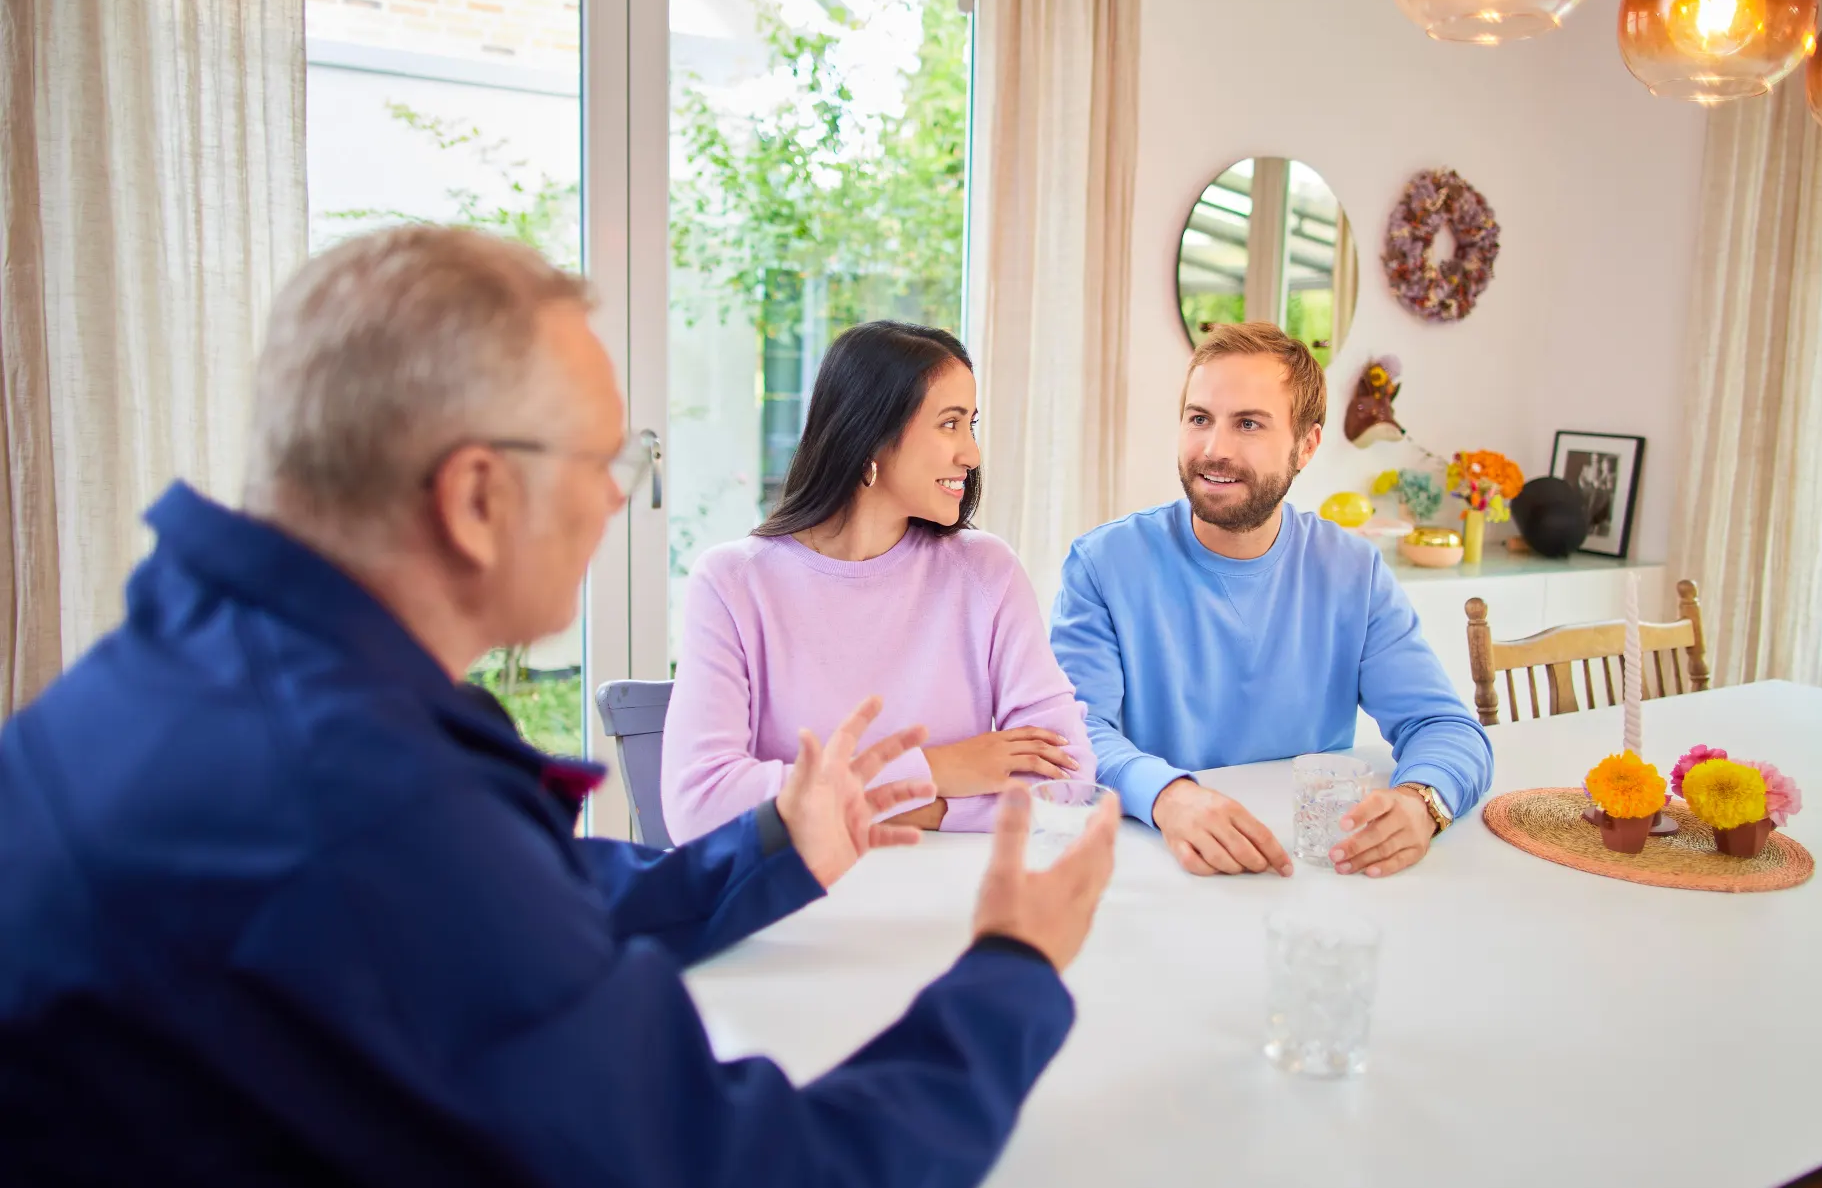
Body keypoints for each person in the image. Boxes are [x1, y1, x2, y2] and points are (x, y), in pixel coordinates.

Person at [0, 227, 1120, 1187]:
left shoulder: (195, 674)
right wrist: (1010, 975)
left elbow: (541, 889)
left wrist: (776, 842)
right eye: (602, 462)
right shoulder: (366, 808)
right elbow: (754, 1169)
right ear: (478, 497)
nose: (615, 500)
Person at [1050, 321, 1493, 879]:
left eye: (1249, 424)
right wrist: (1169, 796)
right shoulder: (1103, 564)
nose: (1214, 449)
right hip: (1157, 859)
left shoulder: (1353, 571)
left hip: (1314, 863)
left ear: (1306, 445)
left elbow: (1445, 727)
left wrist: (1421, 803)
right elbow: (1073, 734)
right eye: (1199, 419)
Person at [663, 320, 1094, 842]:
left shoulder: (986, 572)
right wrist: (935, 770)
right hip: (800, 904)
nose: (972, 454)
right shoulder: (733, 583)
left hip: (959, 901)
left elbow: (1067, 775)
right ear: (871, 432)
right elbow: (701, 805)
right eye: (949, 424)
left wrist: (902, 808)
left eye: (970, 425)